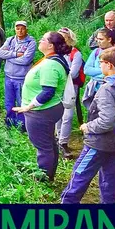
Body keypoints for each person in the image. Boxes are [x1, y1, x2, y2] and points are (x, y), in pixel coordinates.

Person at [61, 47, 115, 204]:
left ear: (109, 65)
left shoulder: (107, 89)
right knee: (109, 174)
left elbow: (107, 121)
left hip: (99, 142)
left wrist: (88, 126)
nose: (99, 66)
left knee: (80, 172)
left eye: (100, 63)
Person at [11, 32, 71, 181]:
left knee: (43, 147)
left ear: (51, 45)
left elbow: (48, 92)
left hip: (41, 112)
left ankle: (44, 178)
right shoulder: (50, 59)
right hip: (45, 110)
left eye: (43, 39)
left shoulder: (50, 64)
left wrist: (28, 107)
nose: (40, 40)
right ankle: (49, 174)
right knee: (49, 142)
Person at [0, 21, 36, 129]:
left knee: (21, 102)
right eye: (17, 28)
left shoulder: (31, 42)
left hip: (21, 78)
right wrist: (15, 55)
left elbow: (26, 60)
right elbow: (0, 53)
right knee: (9, 102)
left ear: (26, 29)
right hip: (8, 77)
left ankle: (22, 125)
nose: (20, 30)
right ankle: (9, 123)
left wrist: (9, 58)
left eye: (22, 28)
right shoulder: (10, 40)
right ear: (15, 29)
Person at [55, 28, 84, 159]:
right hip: (58, 86)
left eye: (64, 37)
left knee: (67, 114)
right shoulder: (55, 52)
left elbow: (74, 73)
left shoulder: (76, 54)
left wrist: (58, 77)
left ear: (70, 39)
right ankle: (58, 138)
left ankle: (63, 142)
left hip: (71, 86)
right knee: (57, 113)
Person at [83, 28, 115, 98]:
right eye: (97, 39)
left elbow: (114, 73)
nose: (98, 41)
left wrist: (95, 74)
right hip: (95, 89)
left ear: (109, 39)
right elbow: (87, 70)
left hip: (110, 90)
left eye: (101, 39)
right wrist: (104, 71)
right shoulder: (96, 51)